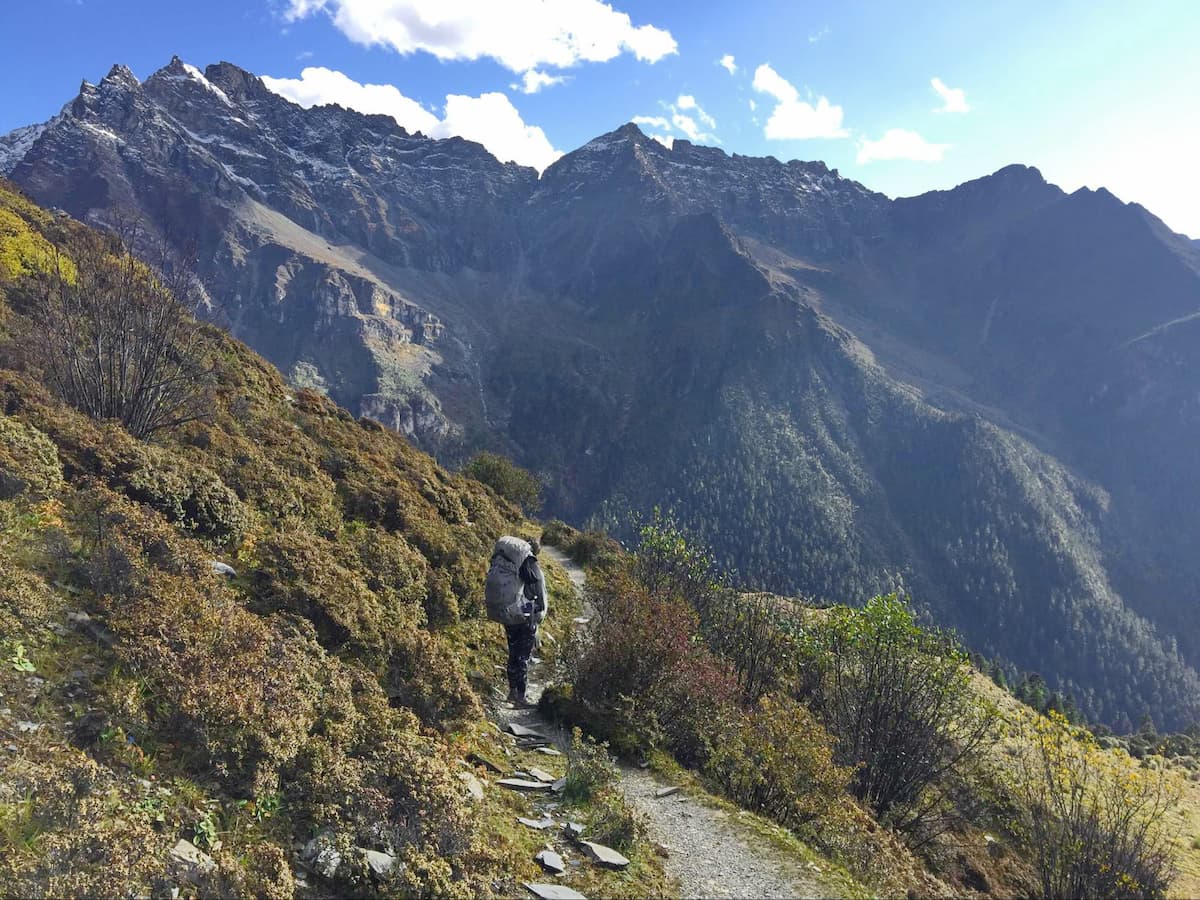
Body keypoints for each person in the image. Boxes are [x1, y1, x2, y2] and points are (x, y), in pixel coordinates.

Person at [506, 539, 548, 707]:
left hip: (511, 613)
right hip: (526, 614)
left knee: (513, 653)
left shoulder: (512, 566)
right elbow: (540, 597)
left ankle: (512, 692)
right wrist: (539, 613)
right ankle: (521, 697)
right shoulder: (533, 567)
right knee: (523, 656)